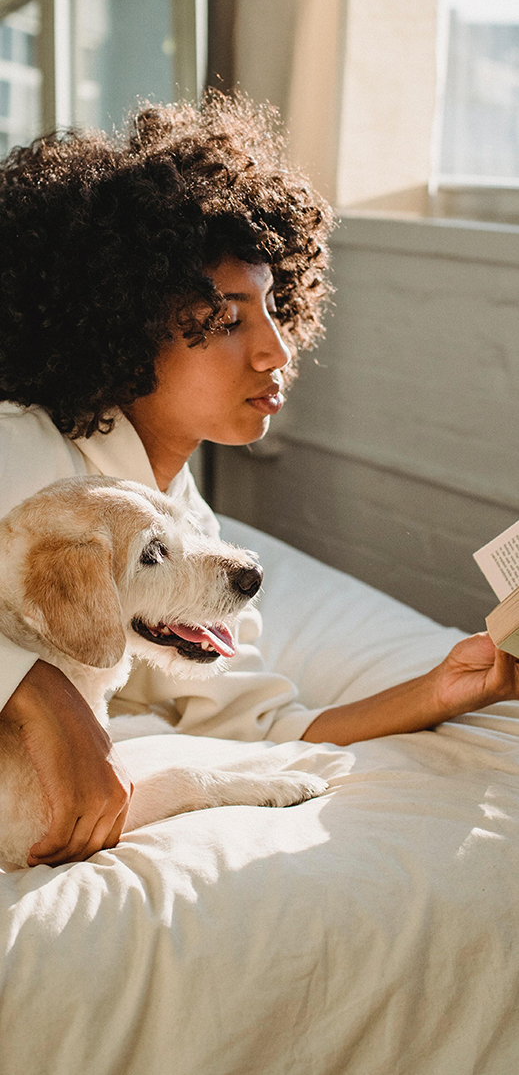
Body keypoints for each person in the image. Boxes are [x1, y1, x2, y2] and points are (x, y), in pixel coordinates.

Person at [0, 92, 517, 869]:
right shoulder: (23, 451)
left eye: (275, 306)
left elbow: (262, 729)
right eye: (228, 317)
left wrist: (443, 691)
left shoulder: (186, 526)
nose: (276, 349)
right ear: (121, 322)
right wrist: (34, 688)